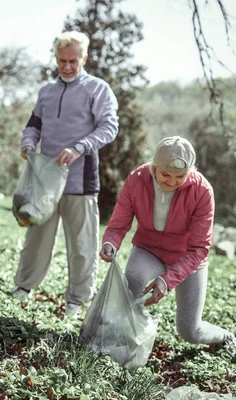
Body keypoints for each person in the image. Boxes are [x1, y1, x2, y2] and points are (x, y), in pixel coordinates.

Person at [13, 30, 119, 316]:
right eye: (62, 60)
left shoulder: (97, 89)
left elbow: (109, 127)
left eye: (74, 60)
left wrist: (81, 146)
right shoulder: (46, 92)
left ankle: (77, 300)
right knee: (36, 237)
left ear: (84, 58)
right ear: (56, 59)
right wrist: (28, 142)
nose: (67, 66)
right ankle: (23, 287)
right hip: (45, 180)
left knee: (82, 245)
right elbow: (33, 124)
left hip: (80, 179)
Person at [100, 136, 235, 355]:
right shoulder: (137, 179)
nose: (171, 182)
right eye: (165, 175)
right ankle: (123, 346)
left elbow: (200, 248)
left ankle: (225, 336)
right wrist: (110, 242)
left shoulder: (202, 191)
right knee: (133, 278)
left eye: (180, 177)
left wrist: (167, 280)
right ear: (154, 167)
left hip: (187, 258)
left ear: (189, 172)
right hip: (149, 249)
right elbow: (118, 224)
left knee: (189, 330)